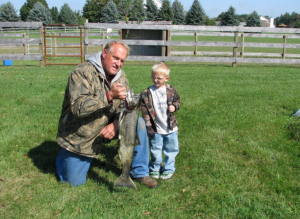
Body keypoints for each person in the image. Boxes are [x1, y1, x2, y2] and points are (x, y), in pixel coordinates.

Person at [55, 40, 157, 188]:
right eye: (115, 58)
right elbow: (78, 108)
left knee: (138, 123)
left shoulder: (121, 77)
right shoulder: (81, 73)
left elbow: (124, 107)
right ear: (104, 53)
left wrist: (116, 124)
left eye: (122, 60)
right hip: (80, 136)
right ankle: (64, 153)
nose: (118, 64)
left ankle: (140, 172)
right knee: (73, 182)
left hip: (107, 128)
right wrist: (109, 96)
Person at [141, 62, 181, 180]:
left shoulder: (171, 90)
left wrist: (174, 106)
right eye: (153, 77)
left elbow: (177, 101)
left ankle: (169, 169)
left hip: (171, 128)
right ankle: (155, 168)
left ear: (166, 78)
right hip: (156, 128)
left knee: (171, 150)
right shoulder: (147, 93)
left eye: (159, 78)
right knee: (155, 150)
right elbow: (144, 112)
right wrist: (149, 128)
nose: (156, 80)